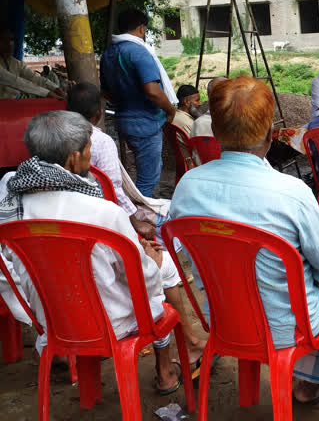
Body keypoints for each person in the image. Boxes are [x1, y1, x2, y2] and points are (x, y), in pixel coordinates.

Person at [169, 76, 319, 403]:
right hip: (287, 327)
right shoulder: (291, 193)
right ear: (269, 134)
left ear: (216, 132)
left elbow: (186, 253)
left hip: (222, 318)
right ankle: (313, 384)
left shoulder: (186, 187)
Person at [0, 111, 184, 393]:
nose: (90, 156)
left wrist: (26, 305)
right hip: (110, 322)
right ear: (74, 157)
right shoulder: (103, 212)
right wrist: (150, 259)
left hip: (51, 318)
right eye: (88, 149)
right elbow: (141, 278)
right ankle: (166, 369)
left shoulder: (9, 192)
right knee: (164, 267)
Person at [65, 84, 209, 365]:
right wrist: (136, 228)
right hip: (109, 283)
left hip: (63, 306)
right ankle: (171, 360)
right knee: (162, 260)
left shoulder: (27, 204)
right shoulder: (100, 150)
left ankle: (185, 344)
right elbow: (114, 193)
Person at [100, 8, 177, 197]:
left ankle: (139, 208)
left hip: (123, 119)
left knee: (143, 171)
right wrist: (170, 110)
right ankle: (141, 218)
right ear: (141, 28)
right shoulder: (139, 52)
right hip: (145, 122)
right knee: (148, 178)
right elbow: (153, 91)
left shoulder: (108, 54)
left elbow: (106, 92)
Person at [0, 28, 63, 100]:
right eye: (3, 40)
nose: (9, 44)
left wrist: (56, 89)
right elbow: (14, 81)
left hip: (16, 103)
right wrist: (47, 93)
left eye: (11, 40)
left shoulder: (17, 63)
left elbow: (35, 77)